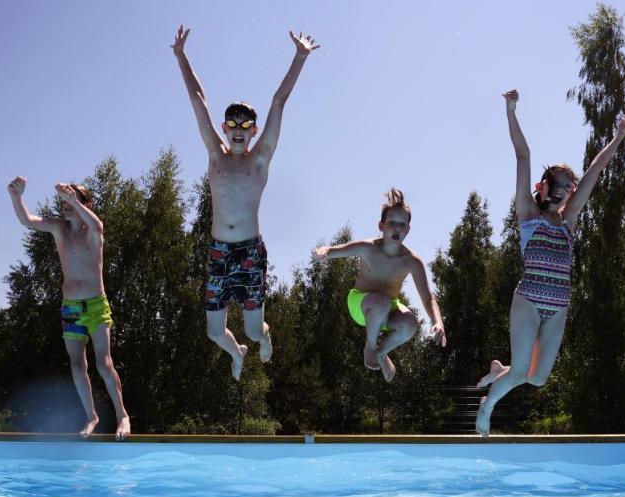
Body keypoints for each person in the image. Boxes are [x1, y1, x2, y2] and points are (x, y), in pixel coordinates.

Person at [474, 90, 625, 436]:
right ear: (545, 186)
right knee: (520, 374)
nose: (568, 190)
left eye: (571, 185)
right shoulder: (528, 214)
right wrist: (511, 111)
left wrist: (619, 135)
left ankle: (498, 370)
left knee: (536, 377)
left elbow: (596, 168)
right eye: (562, 184)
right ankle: (487, 406)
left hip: (559, 305)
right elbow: (523, 155)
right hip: (530, 298)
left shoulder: (569, 221)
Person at [173, 25, 319, 380]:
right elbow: (198, 101)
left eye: (246, 123)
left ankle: (261, 338)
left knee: (255, 331)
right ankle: (234, 351)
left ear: (253, 130)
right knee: (213, 331)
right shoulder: (215, 155)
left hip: (251, 253)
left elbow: (278, 102)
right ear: (224, 128)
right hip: (219, 252)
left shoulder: (260, 159)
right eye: (232, 123)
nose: (238, 128)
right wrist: (181, 56)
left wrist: (299, 57)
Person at [7, 176, 130, 439]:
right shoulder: (59, 228)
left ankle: (122, 416)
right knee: (76, 366)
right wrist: (16, 197)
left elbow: (97, 223)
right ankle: (92, 417)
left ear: (86, 203)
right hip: (71, 308)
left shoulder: (94, 231)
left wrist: (73, 198)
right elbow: (27, 220)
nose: (66, 203)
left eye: (73, 199)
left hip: (96, 305)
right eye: (64, 199)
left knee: (104, 364)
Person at [312, 188, 446, 381]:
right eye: (391, 223)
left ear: (408, 229)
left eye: (402, 224)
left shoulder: (412, 261)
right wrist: (324, 251)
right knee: (381, 302)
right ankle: (370, 347)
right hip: (360, 304)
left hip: (387, 306)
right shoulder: (368, 248)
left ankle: (382, 352)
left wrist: (438, 322)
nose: (396, 228)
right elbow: (334, 250)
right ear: (381, 225)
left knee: (410, 324)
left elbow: (428, 298)